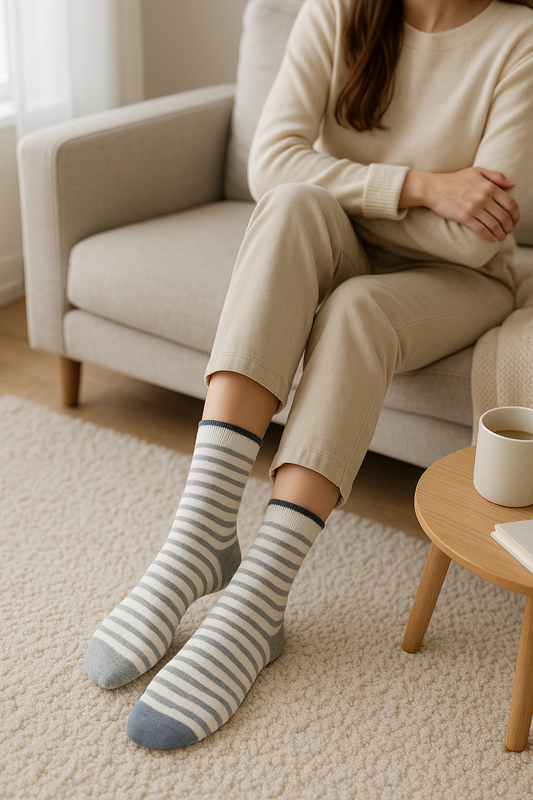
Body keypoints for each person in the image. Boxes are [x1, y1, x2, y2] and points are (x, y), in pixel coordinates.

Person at [85, 0, 533, 749]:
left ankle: (261, 599)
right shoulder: (339, 10)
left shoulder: (518, 39)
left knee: (357, 308)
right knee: (292, 206)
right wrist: (421, 185)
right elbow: (274, 164)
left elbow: (469, 238)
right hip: (338, 231)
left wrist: (360, 189)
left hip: (457, 279)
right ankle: (199, 537)